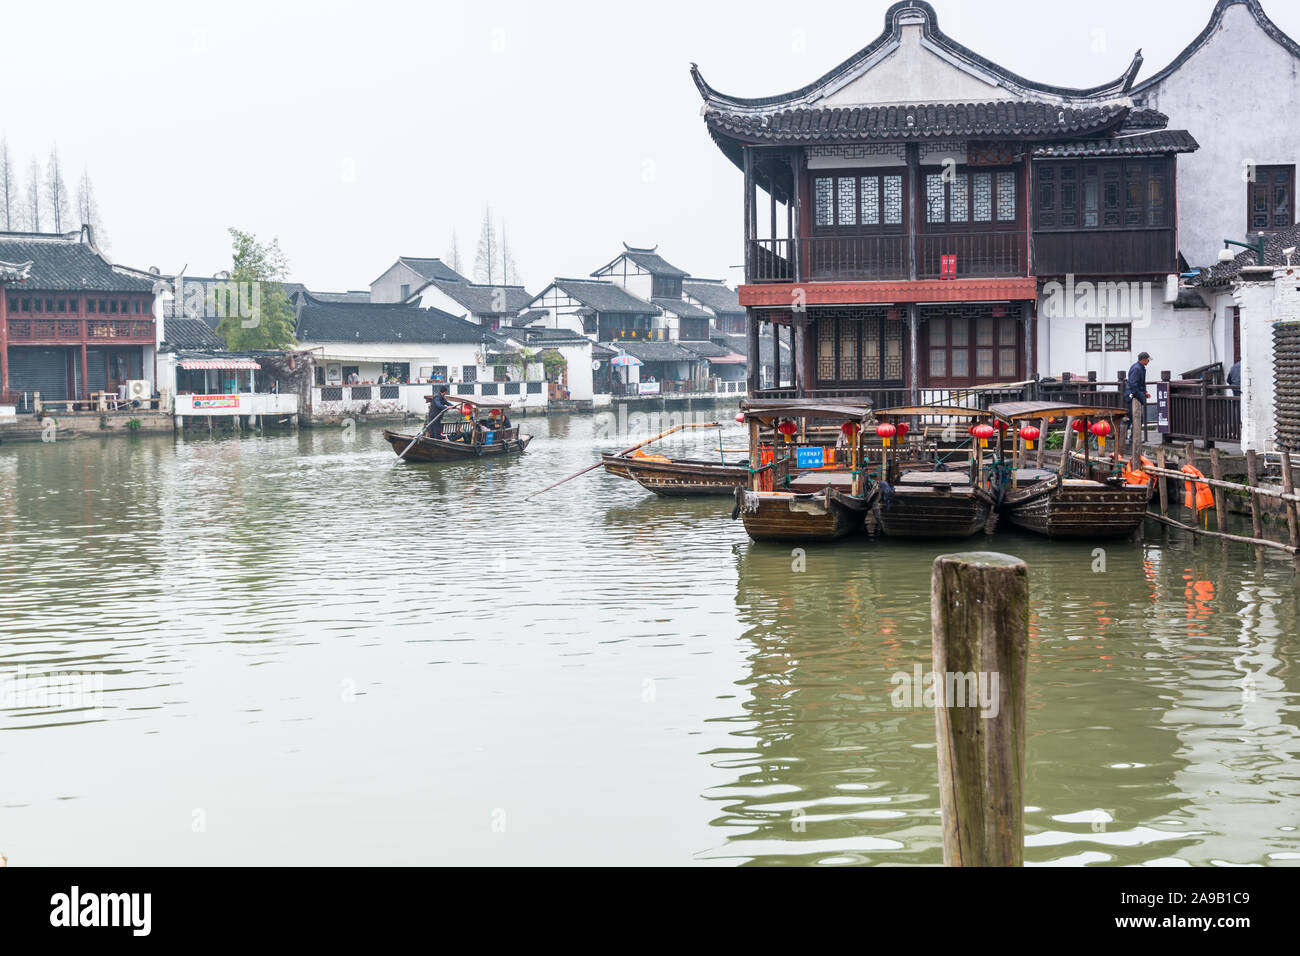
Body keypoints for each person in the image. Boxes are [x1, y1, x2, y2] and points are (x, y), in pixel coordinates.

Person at [1126, 351, 1151, 458]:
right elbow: (1133, 385)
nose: (1149, 361)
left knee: (1133, 418)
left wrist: (1144, 392)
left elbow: (1141, 384)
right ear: (1143, 359)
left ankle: (1131, 437)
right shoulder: (1137, 369)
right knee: (1135, 418)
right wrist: (1141, 395)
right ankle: (1132, 438)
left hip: (1136, 395)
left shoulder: (1139, 367)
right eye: (1148, 359)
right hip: (1133, 396)